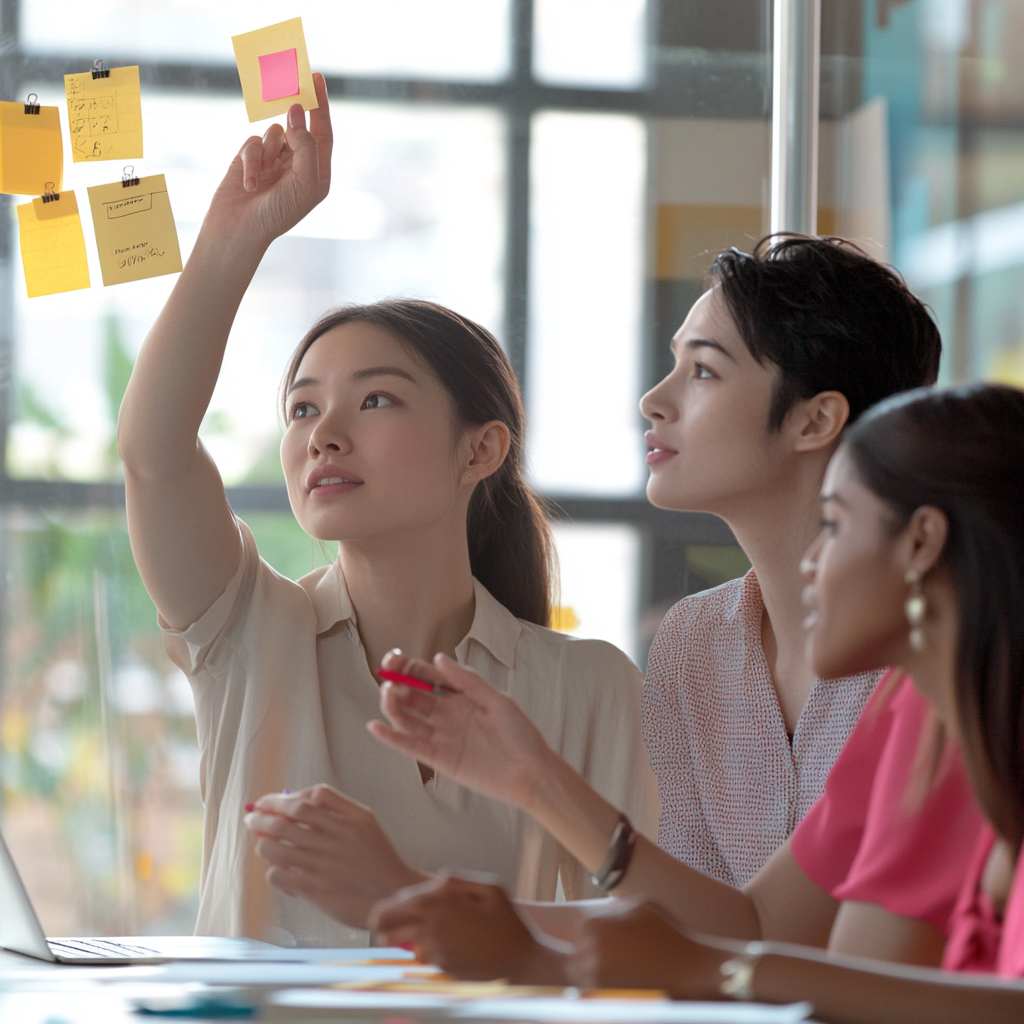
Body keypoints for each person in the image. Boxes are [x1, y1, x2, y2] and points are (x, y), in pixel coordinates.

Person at [116, 73, 657, 946]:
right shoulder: (252, 632)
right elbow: (153, 453)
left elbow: (641, 944)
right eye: (302, 407)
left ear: (480, 449)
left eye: (374, 402)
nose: (323, 434)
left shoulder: (589, 687)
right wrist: (233, 238)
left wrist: (394, 893)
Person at [556, 383, 1024, 1021]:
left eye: (833, 524)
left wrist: (716, 969)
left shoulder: (930, 715)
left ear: (920, 544)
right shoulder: (925, 716)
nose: (810, 561)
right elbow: (807, 952)